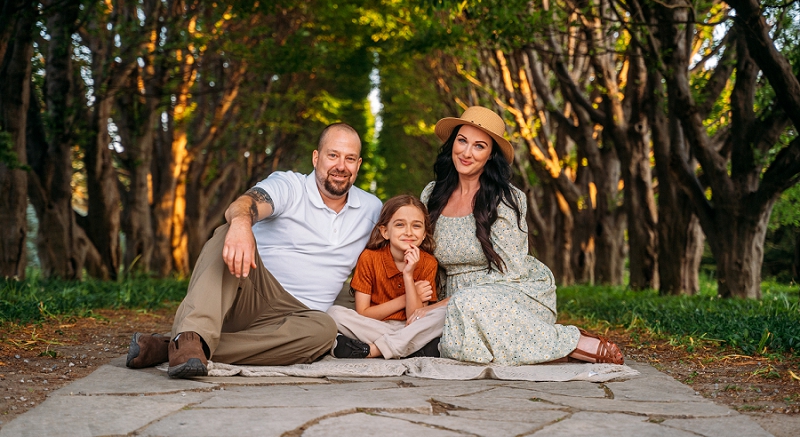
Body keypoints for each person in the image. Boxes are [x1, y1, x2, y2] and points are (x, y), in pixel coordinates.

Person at [125, 123, 383, 378]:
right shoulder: (289, 186)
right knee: (228, 232)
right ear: (316, 158)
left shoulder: (371, 209)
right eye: (333, 155)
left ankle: (180, 345)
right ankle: (191, 332)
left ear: (358, 165)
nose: (341, 166)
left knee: (325, 331)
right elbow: (246, 203)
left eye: (349, 158)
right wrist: (240, 224)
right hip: (250, 292)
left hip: (302, 318)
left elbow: (388, 256)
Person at [411, 106, 624, 366]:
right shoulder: (432, 194)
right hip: (452, 298)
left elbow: (509, 271)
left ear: (491, 155)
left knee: (467, 306)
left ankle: (574, 342)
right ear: (452, 143)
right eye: (462, 141)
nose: (466, 153)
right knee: (449, 331)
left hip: (509, 293)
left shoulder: (506, 199)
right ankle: (550, 349)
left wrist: (437, 308)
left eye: (479, 146)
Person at [326, 195, 444, 359]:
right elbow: (364, 313)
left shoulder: (428, 262)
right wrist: (404, 298)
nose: (408, 232)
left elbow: (415, 317)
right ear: (385, 231)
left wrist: (408, 275)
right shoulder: (369, 258)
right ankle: (412, 348)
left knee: (443, 314)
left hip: (411, 327)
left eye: (416, 226)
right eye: (400, 225)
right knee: (334, 313)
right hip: (374, 326)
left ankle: (372, 350)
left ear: (424, 234)